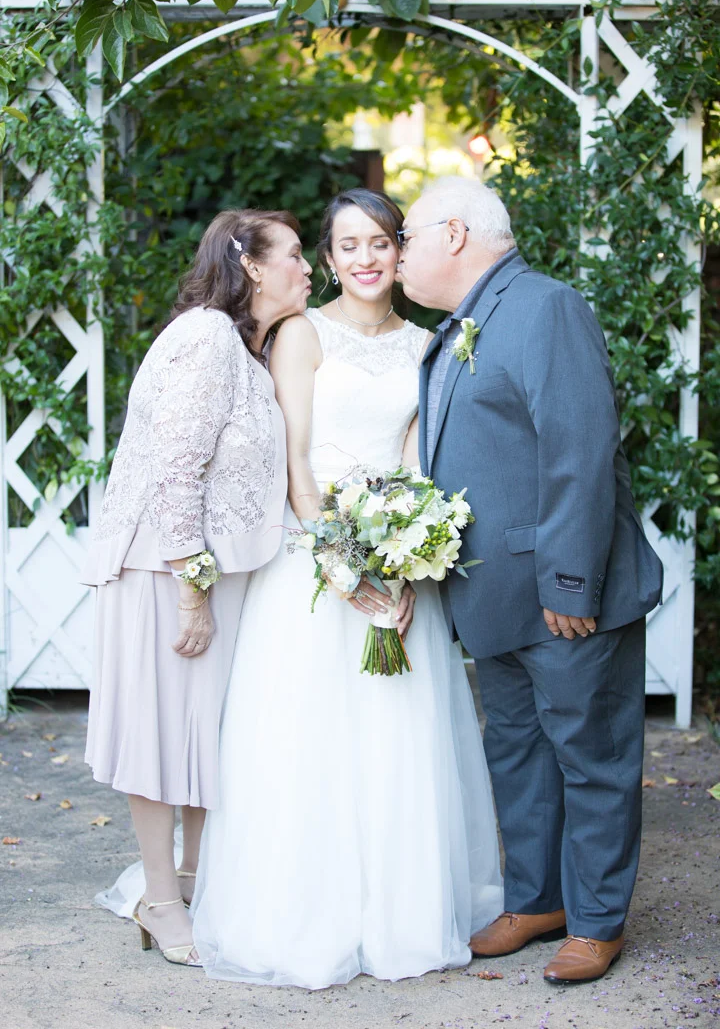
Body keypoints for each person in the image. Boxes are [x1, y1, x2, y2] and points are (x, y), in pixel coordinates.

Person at [190, 188, 503, 989]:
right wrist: (343, 565)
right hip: (314, 565)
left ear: (401, 251)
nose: (366, 258)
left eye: (380, 243)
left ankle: (398, 918)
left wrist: (407, 559)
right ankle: (307, 919)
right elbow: (293, 462)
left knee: (398, 748)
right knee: (310, 747)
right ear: (329, 259)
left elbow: (419, 464)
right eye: (348, 245)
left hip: (397, 573)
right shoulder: (302, 333)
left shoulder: (429, 344)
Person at [399, 176, 663, 986]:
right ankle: (537, 899)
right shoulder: (461, 325)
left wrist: (572, 583)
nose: (398, 253)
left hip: (564, 597)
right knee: (516, 751)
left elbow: (580, 452)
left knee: (592, 754)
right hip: (492, 595)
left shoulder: (546, 307)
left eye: (406, 236)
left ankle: (595, 921)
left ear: (454, 233)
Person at [82, 208, 312, 966]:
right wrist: (192, 588)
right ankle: (159, 899)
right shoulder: (206, 337)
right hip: (164, 569)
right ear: (252, 266)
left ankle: (192, 881)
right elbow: (176, 471)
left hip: (214, 574)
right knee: (161, 738)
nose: (308, 268)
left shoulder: (247, 349)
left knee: (206, 739)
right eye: (295, 255)